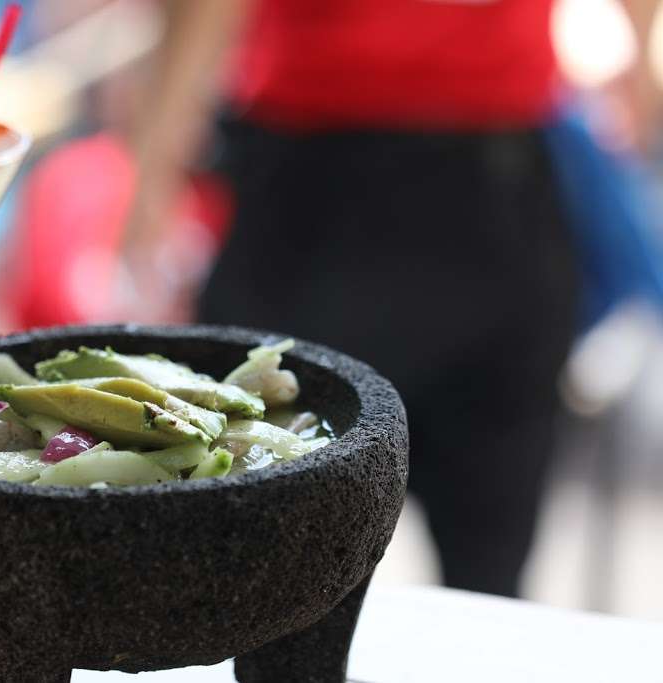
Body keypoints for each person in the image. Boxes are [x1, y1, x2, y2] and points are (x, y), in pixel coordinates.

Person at [122, 0, 582, 597]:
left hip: (448, 188)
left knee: (279, 554)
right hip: (344, 186)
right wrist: (154, 164)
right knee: (268, 535)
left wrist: (154, 165)